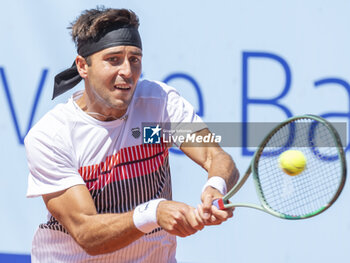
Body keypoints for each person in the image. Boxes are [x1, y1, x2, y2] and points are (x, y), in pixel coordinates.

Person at [25, 7, 239, 262]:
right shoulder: (52, 136)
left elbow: (215, 156)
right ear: (83, 66)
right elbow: (87, 233)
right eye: (113, 59)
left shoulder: (158, 106)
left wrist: (215, 186)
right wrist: (153, 212)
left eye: (134, 59)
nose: (127, 71)